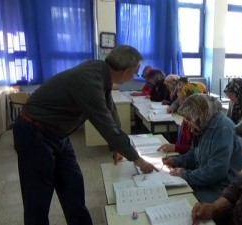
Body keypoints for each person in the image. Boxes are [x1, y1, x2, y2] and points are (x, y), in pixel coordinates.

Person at [12, 45, 157, 225]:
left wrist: (117, 147)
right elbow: (105, 124)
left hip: (59, 134)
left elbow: (110, 111)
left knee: (73, 187)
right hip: (34, 132)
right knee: (38, 201)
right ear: (126, 71)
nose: (135, 76)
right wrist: (139, 160)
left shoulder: (102, 74)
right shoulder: (89, 79)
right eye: (136, 73)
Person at [162, 93, 242, 203]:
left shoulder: (222, 128)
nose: (187, 122)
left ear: (199, 114)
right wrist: (176, 161)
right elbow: (195, 152)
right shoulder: (205, 124)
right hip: (208, 183)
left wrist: (185, 175)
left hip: (222, 189)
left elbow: (216, 171)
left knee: (184, 201)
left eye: (189, 118)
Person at [158, 82, 208, 154]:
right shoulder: (188, 116)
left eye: (183, 99)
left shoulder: (202, 121)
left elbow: (199, 150)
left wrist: (175, 147)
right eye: (180, 99)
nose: (181, 103)